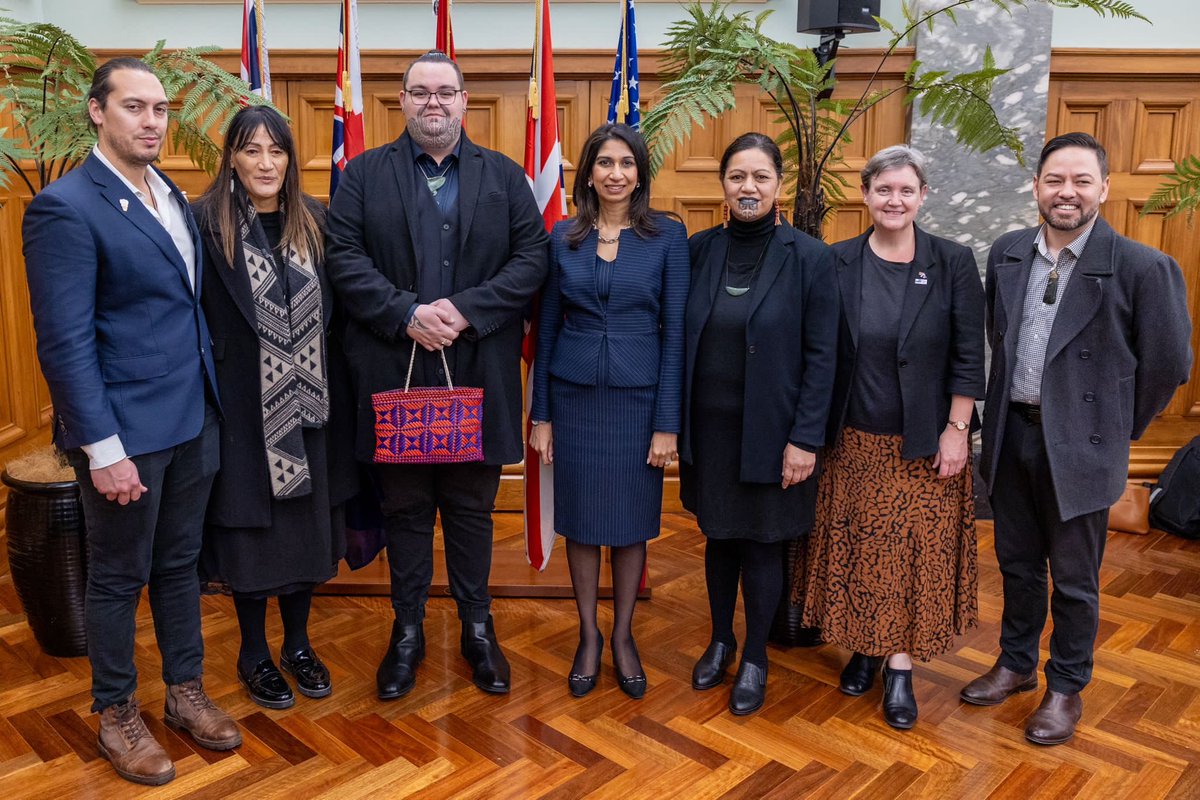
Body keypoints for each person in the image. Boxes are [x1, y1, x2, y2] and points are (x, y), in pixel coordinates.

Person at [21, 58, 240, 786]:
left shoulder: (167, 192)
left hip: (191, 422)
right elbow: (65, 342)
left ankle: (184, 692)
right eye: (134, 107)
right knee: (117, 578)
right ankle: (116, 712)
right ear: (96, 112)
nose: (152, 121)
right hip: (123, 436)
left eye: (161, 109)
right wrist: (103, 449)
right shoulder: (66, 207)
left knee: (179, 567)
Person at [325, 50, 549, 700]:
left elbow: (532, 257)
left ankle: (478, 629)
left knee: (473, 511)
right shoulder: (364, 176)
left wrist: (464, 312)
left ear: (463, 100)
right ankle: (408, 632)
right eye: (420, 91)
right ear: (401, 100)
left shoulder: (505, 178)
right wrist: (407, 314)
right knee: (406, 511)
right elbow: (344, 257)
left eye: (445, 91)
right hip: (392, 372)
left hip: (478, 372)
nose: (433, 102)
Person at [962, 132, 1192, 745]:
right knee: (1015, 564)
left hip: (1085, 446)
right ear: (1036, 186)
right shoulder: (1009, 253)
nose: (1067, 193)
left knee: (1074, 578)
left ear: (1104, 188)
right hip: (1014, 437)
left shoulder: (1144, 267)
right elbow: (1000, 339)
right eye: (1055, 180)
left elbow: (1169, 364)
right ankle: (1016, 664)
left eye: (1081, 181)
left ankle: (1066, 686)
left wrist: (1115, 431)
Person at [800, 145, 985, 730]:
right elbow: (820, 351)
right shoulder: (837, 261)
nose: (894, 200)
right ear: (865, 195)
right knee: (861, 550)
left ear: (922, 195)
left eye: (906, 190)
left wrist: (958, 431)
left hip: (926, 442)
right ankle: (866, 644)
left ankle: (899, 668)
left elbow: (968, 354)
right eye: (884, 190)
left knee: (910, 556)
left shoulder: (952, 262)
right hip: (854, 437)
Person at [193, 106, 357, 710]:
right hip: (243, 413)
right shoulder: (204, 224)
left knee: (304, 536)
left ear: (291, 160)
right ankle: (253, 653)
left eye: (277, 151)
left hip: (312, 412)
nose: (265, 163)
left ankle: (298, 644)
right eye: (251, 150)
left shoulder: (316, 220)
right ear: (231, 157)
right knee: (251, 535)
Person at [677, 133, 837, 715]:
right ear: (723, 184)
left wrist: (805, 439)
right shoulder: (697, 251)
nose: (749, 188)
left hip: (775, 435)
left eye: (761, 177)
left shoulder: (811, 257)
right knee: (720, 538)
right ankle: (719, 640)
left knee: (765, 546)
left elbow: (824, 357)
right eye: (738, 177)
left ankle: (755, 658)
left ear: (779, 186)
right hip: (710, 432)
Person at [528, 124, 688, 700]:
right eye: (604, 163)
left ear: (640, 172)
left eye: (626, 163)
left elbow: (676, 338)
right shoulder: (562, 237)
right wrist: (540, 414)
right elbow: (545, 331)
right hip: (573, 399)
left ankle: (623, 636)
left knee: (629, 524)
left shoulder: (668, 236)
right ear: (588, 172)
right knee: (581, 520)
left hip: (639, 399)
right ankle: (588, 636)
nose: (615, 173)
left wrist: (668, 422)